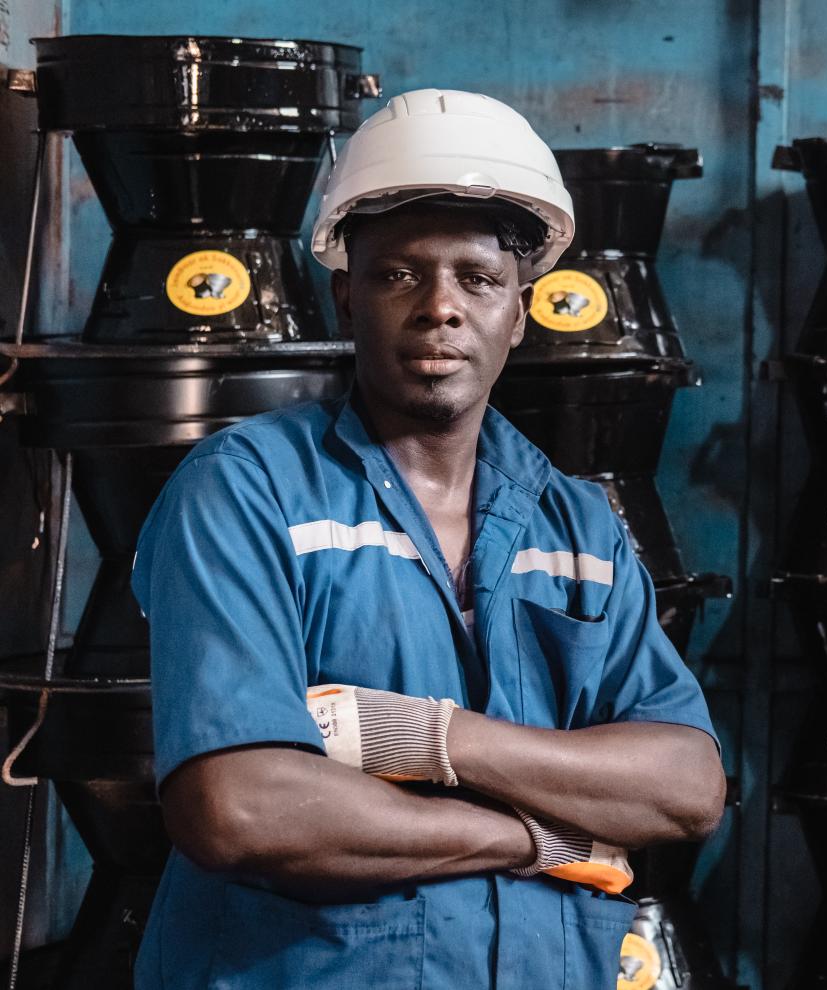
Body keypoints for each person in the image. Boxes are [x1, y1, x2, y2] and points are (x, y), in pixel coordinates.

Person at [129, 89, 726, 989]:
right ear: (346, 298)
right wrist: (533, 837)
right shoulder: (248, 491)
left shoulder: (579, 525)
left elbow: (685, 786)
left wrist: (430, 738)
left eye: (478, 279)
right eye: (399, 275)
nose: (440, 307)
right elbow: (239, 808)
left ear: (519, 312)